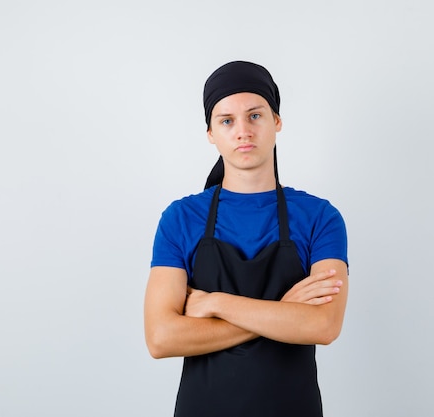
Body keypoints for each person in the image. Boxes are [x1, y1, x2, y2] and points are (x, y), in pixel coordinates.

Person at [144, 61, 349, 417]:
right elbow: (161, 338)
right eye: (227, 121)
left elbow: (324, 325)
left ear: (277, 122)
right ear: (211, 132)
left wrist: (215, 303)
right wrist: (284, 314)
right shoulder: (180, 218)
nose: (243, 131)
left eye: (255, 116)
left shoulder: (320, 217)